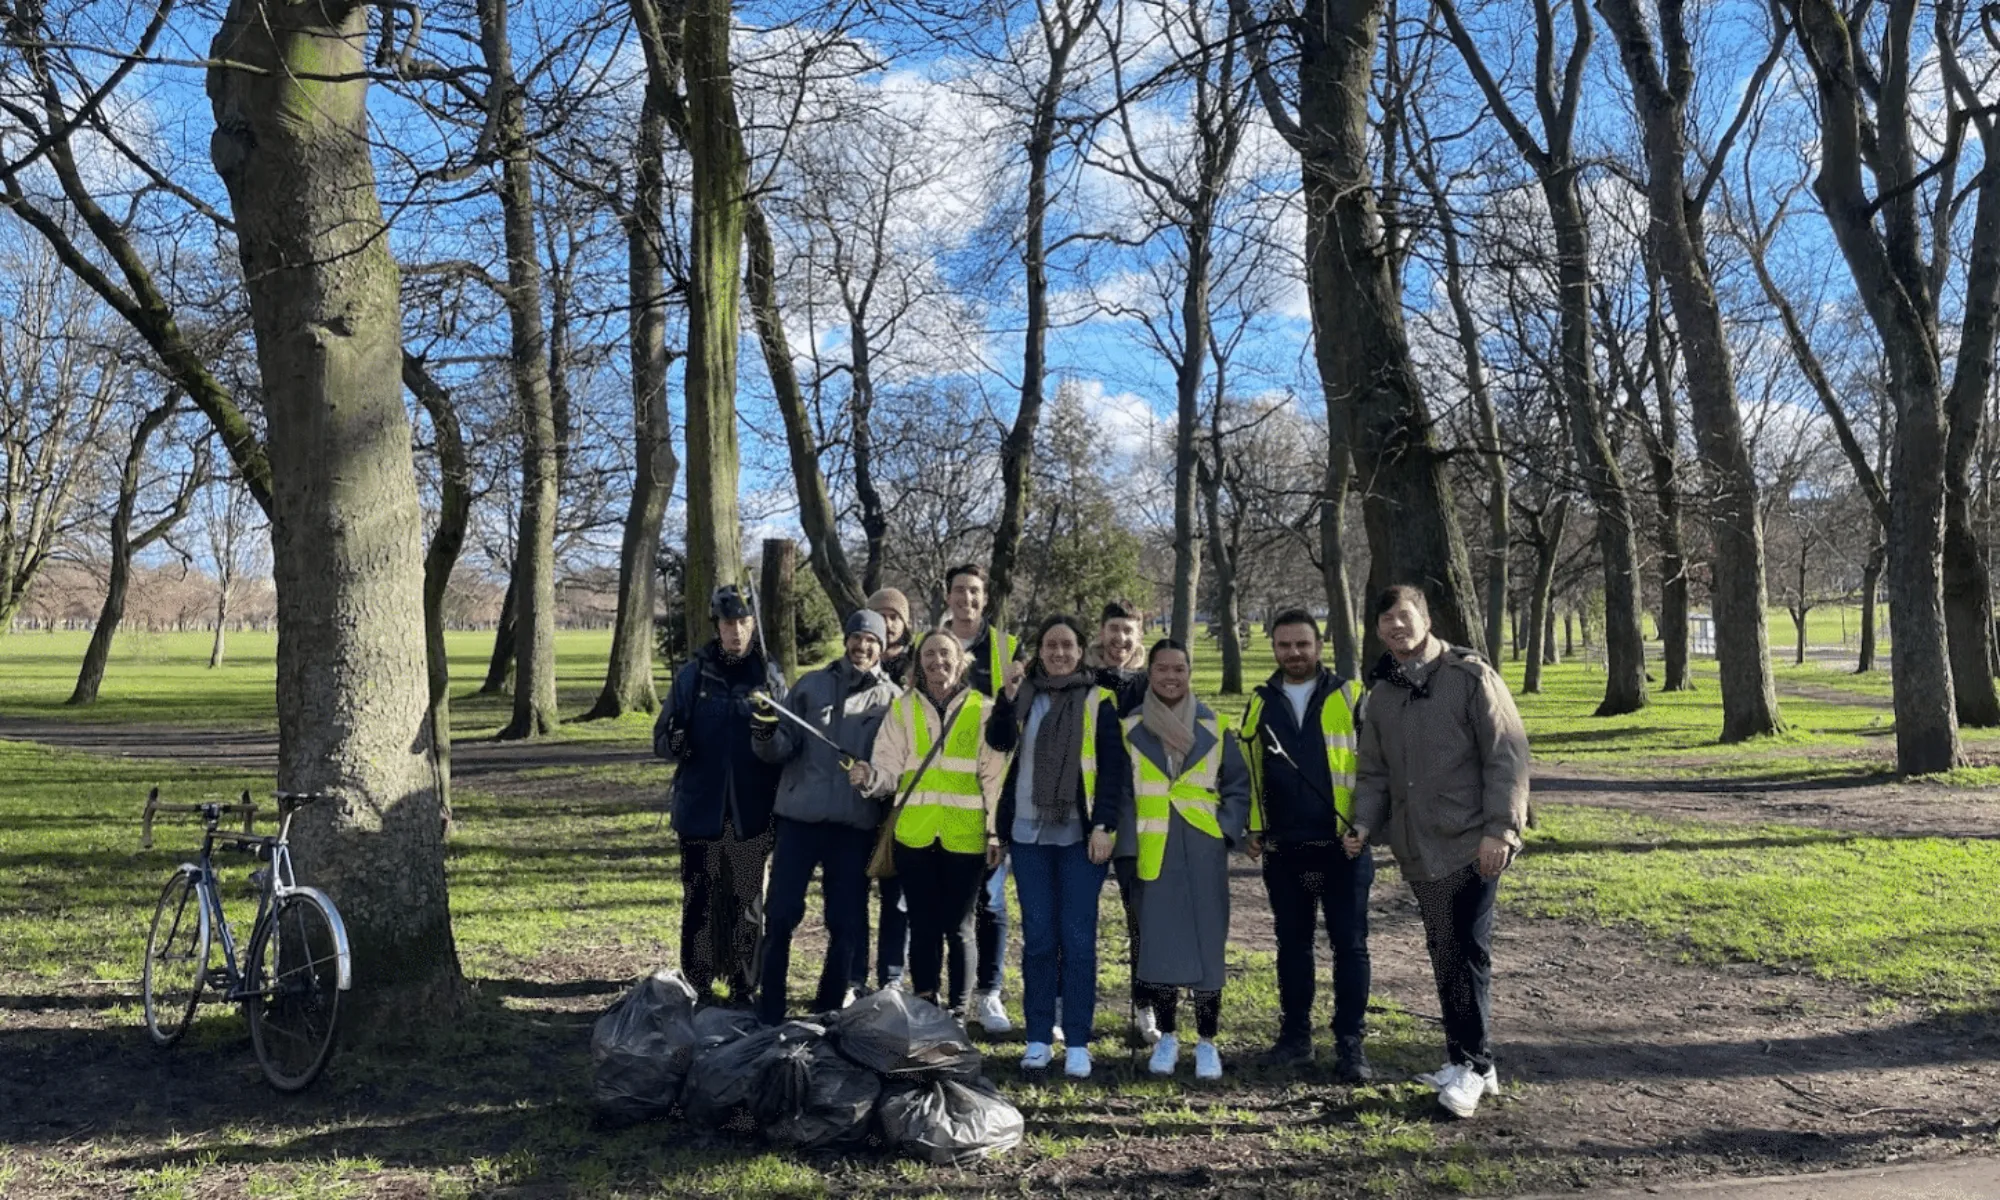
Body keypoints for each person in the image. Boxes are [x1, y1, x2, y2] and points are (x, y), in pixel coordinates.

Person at [1346, 584, 1530, 1119]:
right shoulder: (1381, 694)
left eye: (1403, 617)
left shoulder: (1471, 679)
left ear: (1424, 618)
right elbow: (1375, 771)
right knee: (1445, 954)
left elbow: (1507, 756)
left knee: (1468, 954)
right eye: (1385, 622)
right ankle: (1472, 1061)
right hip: (1418, 848)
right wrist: (1363, 822)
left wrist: (1502, 829)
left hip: (1474, 842)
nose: (1395, 628)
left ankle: (1471, 1067)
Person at [987, 614, 1129, 1079]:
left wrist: (1105, 825)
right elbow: (998, 740)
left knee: (1079, 940)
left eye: (1067, 644)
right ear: (1039, 650)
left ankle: (1079, 1040)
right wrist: (1006, 700)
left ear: (1081, 649)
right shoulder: (1023, 694)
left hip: (1080, 836)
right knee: (1040, 941)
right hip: (1028, 836)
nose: (1059, 652)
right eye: (1050, 645)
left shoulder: (1099, 700)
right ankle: (1037, 1036)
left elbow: (1112, 771)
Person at [1240, 607, 1373, 1080]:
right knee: (1292, 946)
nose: (1294, 653)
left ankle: (1350, 1044)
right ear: (1273, 648)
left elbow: (1375, 770)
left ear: (1319, 646)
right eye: (1284, 645)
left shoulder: (1352, 696)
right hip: (1284, 848)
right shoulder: (1259, 701)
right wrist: (1252, 828)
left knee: (1350, 947)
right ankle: (1295, 1038)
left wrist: (1364, 825)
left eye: (1302, 644)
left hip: (1343, 846)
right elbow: (1250, 770)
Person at [751, 610, 902, 1025]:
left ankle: (829, 1011)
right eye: (857, 638)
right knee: (780, 914)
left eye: (871, 641)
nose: (863, 647)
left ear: (882, 646)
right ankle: (771, 1007)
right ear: (846, 640)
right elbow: (780, 748)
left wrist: (872, 776)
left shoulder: (892, 700)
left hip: (853, 827)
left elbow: (893, 768)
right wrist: (764, 733)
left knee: (846, 922)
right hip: (799, 820)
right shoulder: (811, 686)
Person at [849, 630, 1006, 1012]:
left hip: (965, 837)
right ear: (919, 662)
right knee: (921, 925)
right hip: (914, 836)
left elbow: (995, 777)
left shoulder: (983, 710)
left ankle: (958, 1008)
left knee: (960, 926)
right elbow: (888, 768)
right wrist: (870, 778)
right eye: (930, 654)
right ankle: (925, 1004)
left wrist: (995, 833)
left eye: (946, 653)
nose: (938, 661)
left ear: (961, 660)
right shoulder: (903, 709)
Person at [652, 586, 787, 1005]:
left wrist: (769, 734)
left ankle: (745, 986)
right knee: (700, 899)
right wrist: (674, 741)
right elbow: (660, 739)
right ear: (717, 626)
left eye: (744, 622)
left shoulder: (770, 676)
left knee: (748, 901)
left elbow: (788, 744)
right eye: (728, 623)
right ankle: (698, 982)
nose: (736, 631)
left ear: (753, 625)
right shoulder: (694, 676)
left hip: (753, 808)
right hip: (701, 807)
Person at [1123, 639, 1249, 1081]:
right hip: (1153, 849)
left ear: (1189, 673)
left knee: (1207, 947)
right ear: (1150, 673)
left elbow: (1237, 784)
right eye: (1162, 669)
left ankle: (1208, 1041)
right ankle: (1169, 1036)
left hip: (1202, 848)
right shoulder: (1131, 727)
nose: (1170, 677)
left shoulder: (1215, 725)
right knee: (1159, 948)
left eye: (1179, 669)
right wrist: (1125, 845)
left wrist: (1225, 830)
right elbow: (1121, 792)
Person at [942, 562, 1022, 1034]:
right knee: (940, 902)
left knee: (990, 899)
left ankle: (988, 993)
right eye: (959, 591)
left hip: (991, 788)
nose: (966, 599)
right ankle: (937, 993)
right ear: (947, 596)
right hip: (939, 791)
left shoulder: (1007, 649)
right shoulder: (928, 646)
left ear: (985, 598)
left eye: (974, 591)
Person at [1091, 600, 1160, 1045]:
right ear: (1101, 632)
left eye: (1129, 632)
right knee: (1075, 919)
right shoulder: (1082, 682)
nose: (1121, 640)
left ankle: (1144, 1006)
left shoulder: (1153, 685)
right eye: (1114, 630)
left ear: (1140, 637)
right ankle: (1067, 1004)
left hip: (1135, 816)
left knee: (1143, 917)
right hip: (1084, 814)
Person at [852, 587, 917, 996]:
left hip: (901, 800)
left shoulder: (918, 665)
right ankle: (853, 974)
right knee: (853, 893)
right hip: (859, 797)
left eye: (894, 616)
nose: (887, 623)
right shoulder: (854, 665)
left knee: (897, 897)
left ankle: (891, 976)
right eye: (879, 615)